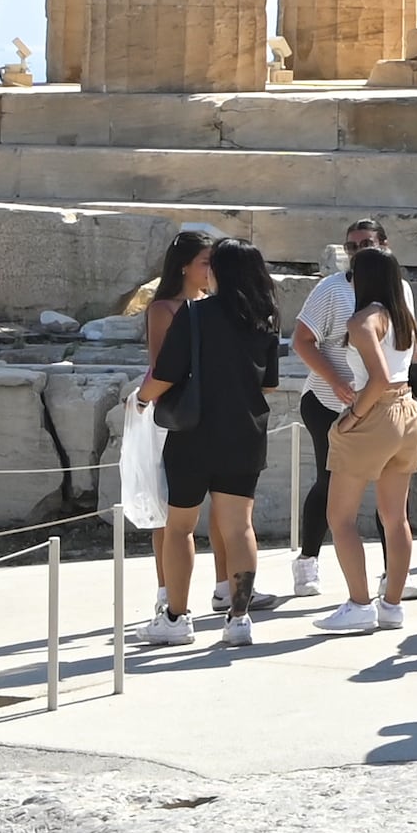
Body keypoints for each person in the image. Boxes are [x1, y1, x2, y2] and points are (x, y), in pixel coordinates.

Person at [144, 238, 286, 651]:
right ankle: (238, 617)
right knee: (239, 526)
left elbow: (165, 373)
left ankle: (176, 616)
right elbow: (270, 383)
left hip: (194, 433)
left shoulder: (194, 314)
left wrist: (141, 397)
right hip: (244, 433)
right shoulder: (266, 319)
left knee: (180, 527)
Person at [288, 216, 399, 606]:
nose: (359, 252)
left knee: (390, 492)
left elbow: (410, 338)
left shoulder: (397, 289)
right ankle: (308, 560)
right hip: (328, 401)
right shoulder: (332, 291)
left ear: (384, 244)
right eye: (352, 246)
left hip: (380, 407)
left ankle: (392, 577)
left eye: (366, 243)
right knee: (329, 482)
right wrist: (335, 380)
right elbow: (302, 340)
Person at [315, 245, 417, 628]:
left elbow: (377, 379)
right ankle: (392, 605)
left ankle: (360, 604)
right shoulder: (404, 316)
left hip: (376, 413)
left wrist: (351, 418)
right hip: (408, 411)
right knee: (395, 518)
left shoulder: (364, 320)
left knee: (341, 517)